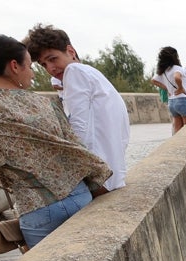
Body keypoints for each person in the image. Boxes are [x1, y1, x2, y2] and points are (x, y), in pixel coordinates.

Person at [0, 35, 112, 248]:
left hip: (37, 208)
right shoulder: (43, 102)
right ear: (14, 66)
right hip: (79, 196)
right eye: (30, 66)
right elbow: (76, 147)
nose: (32, 73)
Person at [22, 24, 129, 190]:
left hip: (99, 178)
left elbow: (79, 128)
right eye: (43, 65)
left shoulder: (74, 72)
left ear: (70, 52)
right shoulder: (90, 72)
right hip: (113, 174)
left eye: (53, 59)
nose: (50, 68)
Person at [150, 47, 186, 133]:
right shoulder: (177, 68)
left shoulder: (164, 70)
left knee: (177, 127)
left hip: (172, 102)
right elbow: (177, 77)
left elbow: (153, 80)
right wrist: (180, 88)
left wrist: (167, 88)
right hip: (182, 100)